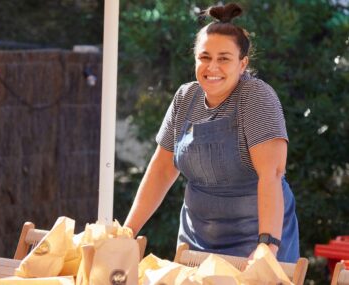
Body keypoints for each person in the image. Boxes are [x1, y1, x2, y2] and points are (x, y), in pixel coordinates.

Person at [123, 2, 299, 262]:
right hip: (196, 241)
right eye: (205, 57)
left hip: (254, 242)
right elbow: (161, 169)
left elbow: (272, 174)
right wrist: (127, 231)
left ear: (242, 63)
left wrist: (268, 245)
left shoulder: (256, 97)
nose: (212, 67)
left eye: (224, 59)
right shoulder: (185, 97)